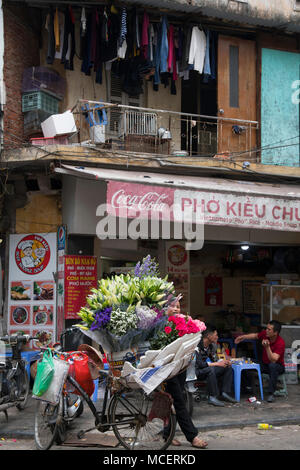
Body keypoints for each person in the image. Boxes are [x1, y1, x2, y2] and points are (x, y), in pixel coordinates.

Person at [164, 299, 208, 449]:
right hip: (167, 369)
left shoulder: (184, 322)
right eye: (173, 306)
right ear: (165, 308)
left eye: (178, 306)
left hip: (181, 367)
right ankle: (192, 436)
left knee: (171, 401)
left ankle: (167, 434)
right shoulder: (161, 325)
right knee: (179, 401)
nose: (176, 309)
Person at [235, 320, 285, 403]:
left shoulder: (280, 342)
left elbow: (273, 359)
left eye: (269, 329)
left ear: (275, 332)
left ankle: (271, 393)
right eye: (267, 328)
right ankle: (247, 388)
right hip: (264, 364)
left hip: (278, 366)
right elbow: (255, 336)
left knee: (272, 366)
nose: (267, 331)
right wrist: (243, 337)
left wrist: (267, 347)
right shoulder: (265, 334)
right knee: (245, 362)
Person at [195, 324, 237, 406]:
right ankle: (212, 397)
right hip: (197, 372)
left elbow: (214, 359)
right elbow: (200, 364)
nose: (217, 337)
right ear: (208, 336)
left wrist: (223, 361)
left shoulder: (212, 346)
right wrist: (217, 363)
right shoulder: (197, 346)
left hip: (207, 369)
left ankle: (224, 393)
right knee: (211, 370)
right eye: (216, 335)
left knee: (227, 367)